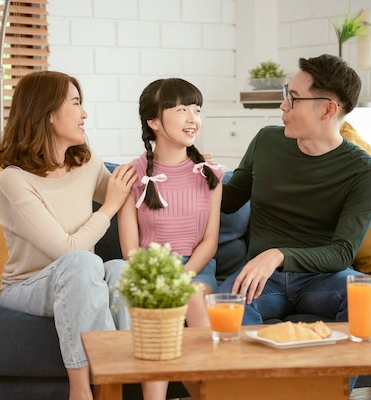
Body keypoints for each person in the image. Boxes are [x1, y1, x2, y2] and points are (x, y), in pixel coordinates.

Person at [0, 70, 137, 400]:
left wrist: (188, 167)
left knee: (119, 270)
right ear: (48, 114)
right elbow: (65, 249)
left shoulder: (87, 163)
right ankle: (80, 389)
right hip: (27, 285)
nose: (84, 113)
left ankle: (118, 384)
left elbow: (128, 192)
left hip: (77, 277)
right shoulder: (14, 180)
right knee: (82, 263)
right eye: (76, 103)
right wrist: (108, 207)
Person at [218, 54, 371, 328]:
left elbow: (343, 252)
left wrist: (278, 255)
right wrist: (197, 170)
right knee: (226, 305)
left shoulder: (364, 172)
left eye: (293, 98)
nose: (283, 106)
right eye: (287, 95)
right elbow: (230, 200)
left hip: (322, 278)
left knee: (367, 293)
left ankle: (337, 373)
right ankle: (263, 372)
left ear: (327, 110)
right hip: (264, 280)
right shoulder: (266, 141)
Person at [118, 78, 223, 400]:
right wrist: (158, 280)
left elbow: (210, 241)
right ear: (154, 121)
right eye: (181, 110)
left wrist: (183, 275)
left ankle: (212, 391)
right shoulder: (132, 175)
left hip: (195, 269)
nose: (193, 119)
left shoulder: (211, 174)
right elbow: (130, 250)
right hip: (150, 271)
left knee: (190, 294)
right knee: (159, 309)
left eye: (197, 109)